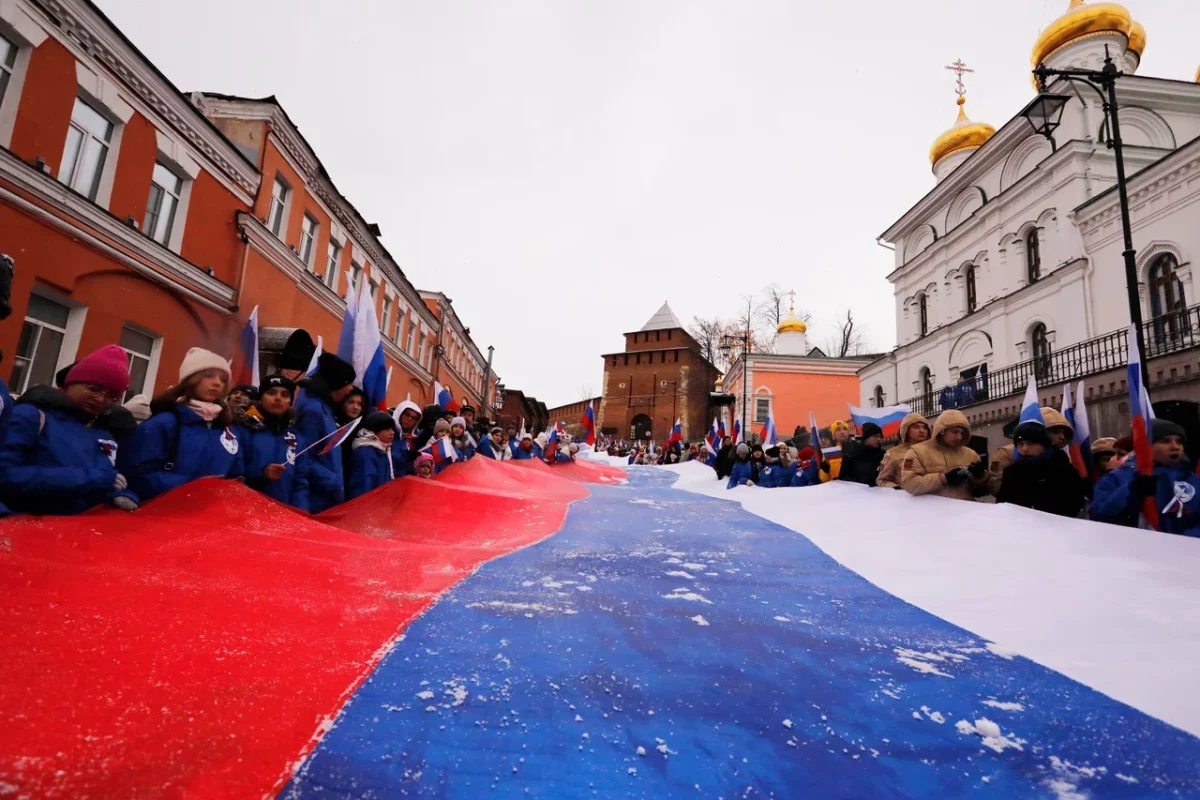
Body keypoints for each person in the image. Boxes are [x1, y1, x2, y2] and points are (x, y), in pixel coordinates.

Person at [0, 345, 140, 515]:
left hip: (74, 534)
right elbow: (6, 475)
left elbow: (103, 481)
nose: (101, 399)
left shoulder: (105, 432)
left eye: (112, 396)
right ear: (71, 382)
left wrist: (119, 494)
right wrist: (92, 479)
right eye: (93, 389)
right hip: (24, 528)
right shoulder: (32, 415)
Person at [123, 347, 244, 503]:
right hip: (167, 513)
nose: (217, 383)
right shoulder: (164, 423)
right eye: (208, 376)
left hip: (213, 516)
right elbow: (137, 475)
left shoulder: (226, 428)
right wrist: (192, 486)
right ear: (190, 380)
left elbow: (236, 472)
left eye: (223, 379)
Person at [1092, 420, 1200, 536]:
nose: (1175, 447)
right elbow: (1100, 518)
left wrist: (1181, 542)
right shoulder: (1116, 478)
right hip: (1130, 550)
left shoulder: (1192, 480)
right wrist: (1132, 491)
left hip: (1181, 552)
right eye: (1165, 441)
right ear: (1146, 445)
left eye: (1179, 442)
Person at [295, 352, 357, 513]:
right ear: (337, 383)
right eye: (349, 383)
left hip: (326, 496)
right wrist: (332, 481)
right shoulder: (313, 410)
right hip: (315, 497)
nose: (351, 389)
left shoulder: (325, 409)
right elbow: (302, 454)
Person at [239, 374, 309, 511]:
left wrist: (301, 513)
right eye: (271, 393)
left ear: (290, 402)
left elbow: (301, 482)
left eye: (285, 395)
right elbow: (233, 473)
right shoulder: (242, 429)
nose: (278, 398)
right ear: (260, 398)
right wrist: (262, 474)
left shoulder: (295, 438)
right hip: (246, 511)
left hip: (283, 514)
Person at [996, 420, 1087, 518]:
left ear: (1044, 444)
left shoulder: (1064, 469)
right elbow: (1003, 506)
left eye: (1030, 443)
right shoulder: (1012, 472)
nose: (1025, 449)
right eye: (1020, 444)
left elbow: (1074, 503)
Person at [900, 409, 989, 501]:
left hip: (964, 510)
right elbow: (909, 484)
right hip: (933, 510)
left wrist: (980, 476)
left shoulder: (970, 454)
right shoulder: (917, 451)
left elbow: (982, 490)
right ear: (942, 430)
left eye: (962, 433)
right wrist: (943, 478)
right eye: (954, 432)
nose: (959, 437)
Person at [348, 410, 397, 500]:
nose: (392, 432)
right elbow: (362, 489)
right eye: (387, 429)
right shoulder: (365, 454)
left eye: (392, 429)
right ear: (375, 430)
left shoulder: (383, 450)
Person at [876, 413, 930, 489]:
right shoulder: (893, 453)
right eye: (916, 427)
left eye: (925, 428)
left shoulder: (934, 451)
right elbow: (882, 480)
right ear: (906, 430)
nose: (922, 431)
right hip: (907, 498)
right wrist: (898, 489)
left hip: (935, 498)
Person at [838, 422, 886, 486]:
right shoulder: (853, 454)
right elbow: (844, 476)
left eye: (880, 436)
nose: (879, 439)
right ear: (866, 438)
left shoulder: (883, 455)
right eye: (875, 436)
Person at [391, 395, 424, 477]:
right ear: (400, 414)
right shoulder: (388, 433)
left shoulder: (411, 441)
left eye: (413, 418)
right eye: (407, 414)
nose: (409, 419)